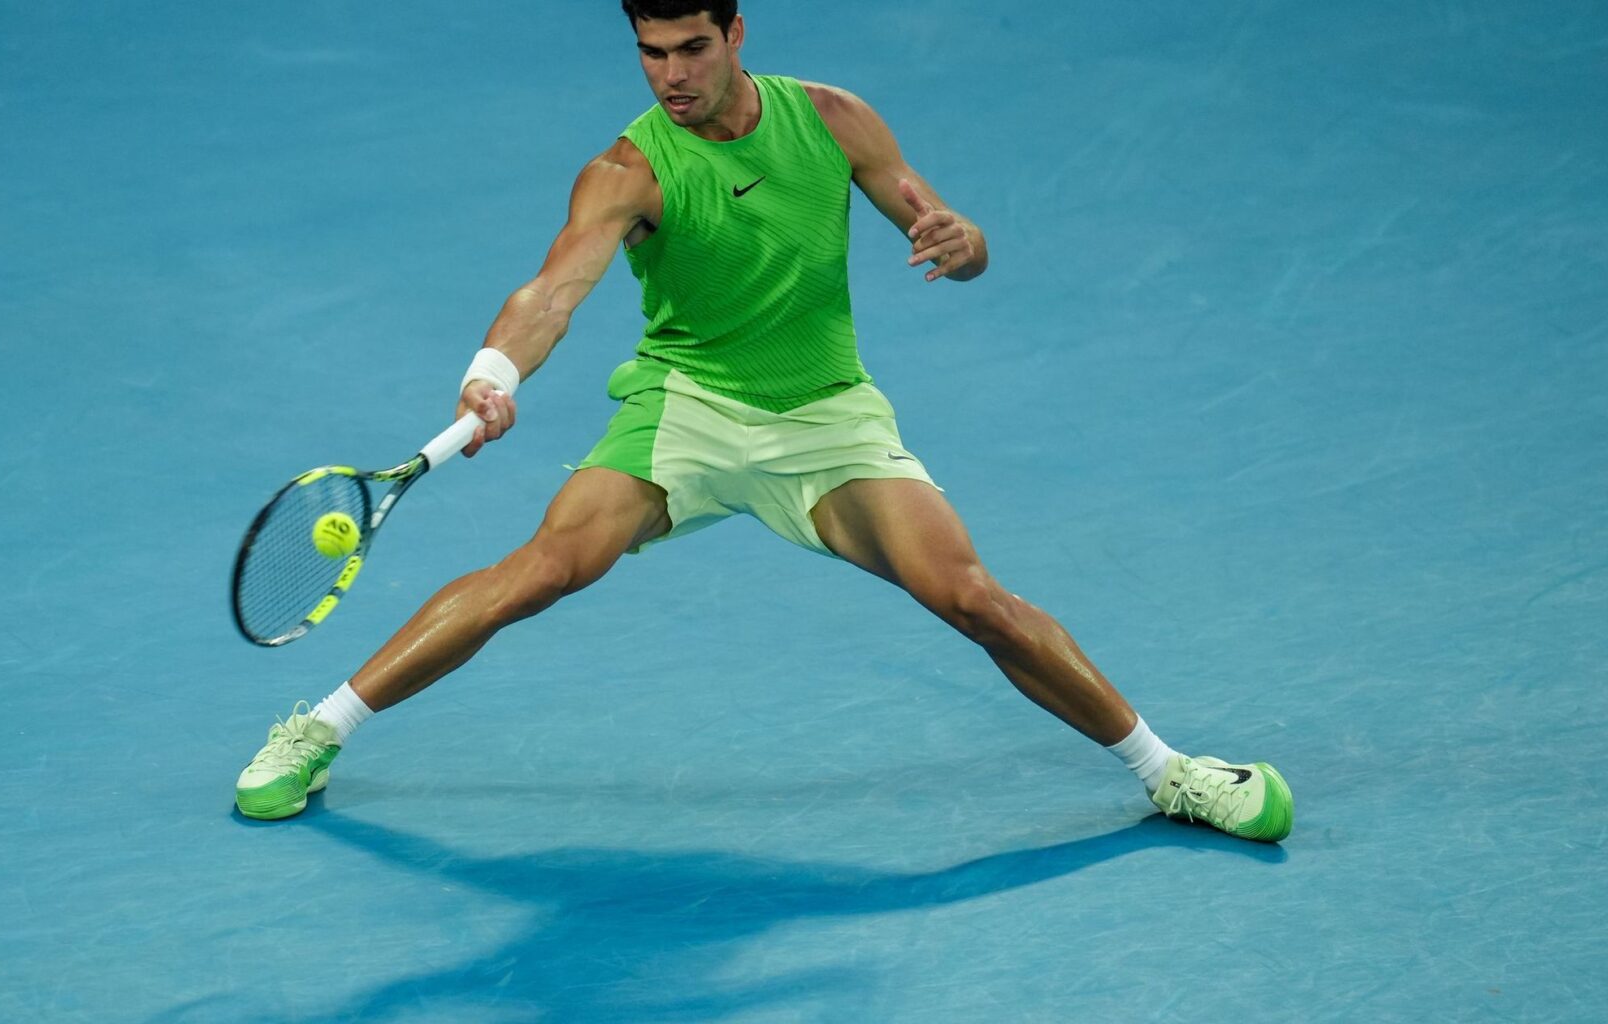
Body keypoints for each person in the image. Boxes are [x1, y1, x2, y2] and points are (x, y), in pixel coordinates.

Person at [235, 0, 1293, 843]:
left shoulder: (833, 119)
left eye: (691, 48)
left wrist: (964, 243)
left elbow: (940, 227)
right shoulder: (627, 171)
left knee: (973, 598)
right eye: (651, 52)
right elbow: (554, 291)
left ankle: (1171, 774)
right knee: (545, 567)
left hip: (829, 417)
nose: (671, 75)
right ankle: (316, 730)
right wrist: (493, 371)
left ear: (737, 33)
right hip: (685, 409)